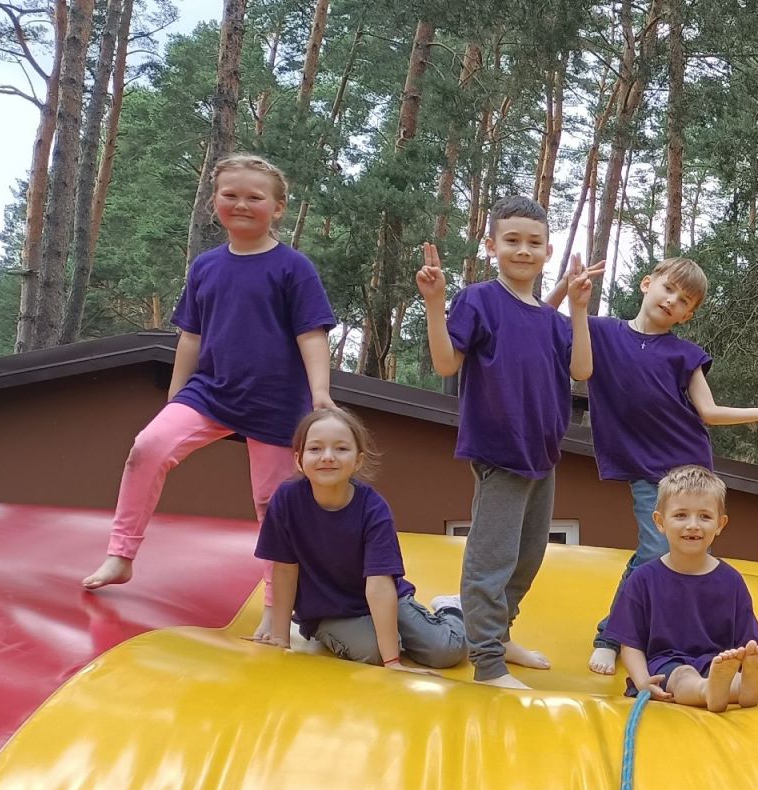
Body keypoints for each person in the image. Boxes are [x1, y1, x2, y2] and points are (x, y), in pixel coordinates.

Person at [83, 153, 337, 648]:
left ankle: (276, 604)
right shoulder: (206, 266)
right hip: (211, 390)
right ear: (214, 201)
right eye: (230, 195)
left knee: (273, 503)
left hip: (276, 398)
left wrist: (320, 393)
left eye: (254, 197)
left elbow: (312, 334)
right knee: (148, 447)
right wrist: (176, 395)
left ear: (278, 208)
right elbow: (191, 336)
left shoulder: (293, 267)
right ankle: (121, 554)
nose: (241, 204)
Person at [556, 257, 758, 675]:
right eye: (668, 288)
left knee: (689, 551)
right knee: (656, 549)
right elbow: (555, 341)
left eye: (684, 300)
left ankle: (689, 639)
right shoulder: (601, 331)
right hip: (645, 467)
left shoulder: (685, 355)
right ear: (646, 283)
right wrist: (570, 296)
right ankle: (612, 636)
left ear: (688, 315)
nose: (672, 300)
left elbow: (708, 411)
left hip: (689, 464)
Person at [416, 195, 600, 689]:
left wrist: (579, 308)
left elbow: (582, 369)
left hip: (543, 453)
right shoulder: (479, 299)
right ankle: (487, 663)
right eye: (512, 240)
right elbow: (447, 363)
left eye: (534, 242)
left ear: (548, 251)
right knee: (491, 559)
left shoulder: (551, 319)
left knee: (528, 556)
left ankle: (501, 634)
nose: (523, 250)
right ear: (491, 246)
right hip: (499, 450)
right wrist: (435, 304)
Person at [251, 408, 463, 673]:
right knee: (371, 652)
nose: (328, 457)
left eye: (341, 449)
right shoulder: (287, 499)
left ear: (359, 460)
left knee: (445, 651)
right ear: (298, 459)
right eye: (315, 449)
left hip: (382, 596)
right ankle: (384, 637)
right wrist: (280, 637)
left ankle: (451, 608)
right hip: (328, 610)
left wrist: (393, 663)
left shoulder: (373, 508)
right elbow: (284, 570)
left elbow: (380, 585)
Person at [606, 466, 758, 712]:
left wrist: (756, 664)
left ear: (720, 524)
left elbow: (747, 639)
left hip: (718, 662)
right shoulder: (643, 579)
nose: (693, 525)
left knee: (730, 674)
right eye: (681, 515)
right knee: (683, 676)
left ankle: (745, 688)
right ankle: (711, 691)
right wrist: (642, 681)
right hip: (666, 664)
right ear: (660, 522)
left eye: (705, 517)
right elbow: (630, 644)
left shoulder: (731, 580)